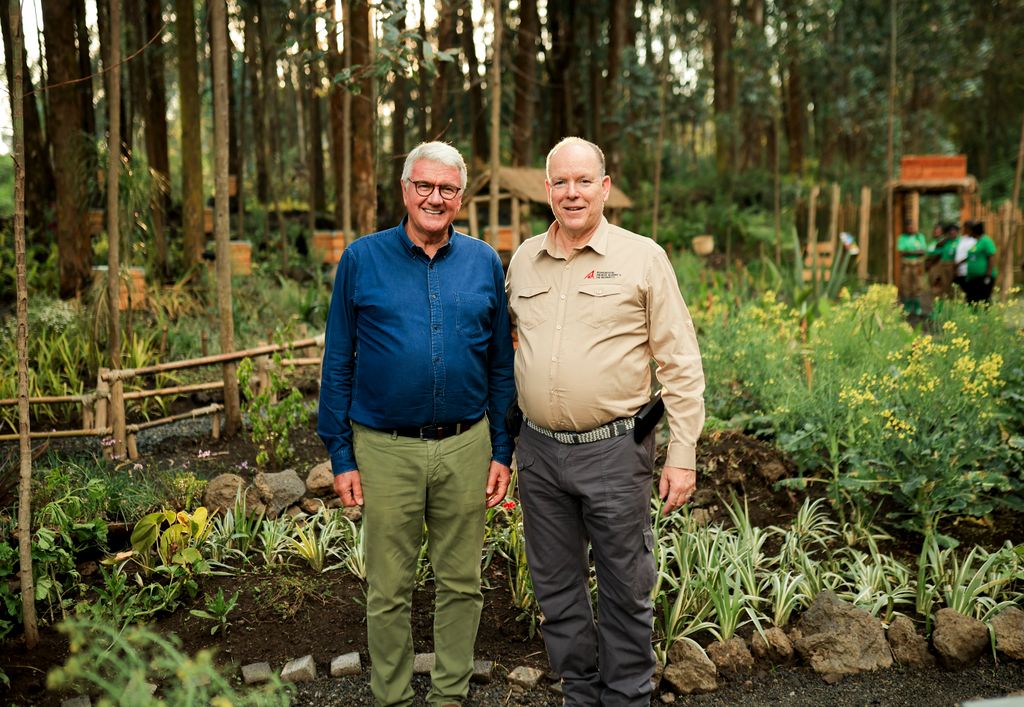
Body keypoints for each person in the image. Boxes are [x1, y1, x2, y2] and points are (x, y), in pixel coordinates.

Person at [505, 137, 705, 705]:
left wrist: (682, 453)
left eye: (584, 181)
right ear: (547, 190)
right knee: (556, 590)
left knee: (625, 587)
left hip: (615, 451)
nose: (572, 193)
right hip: (539, 453)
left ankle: (627, 697)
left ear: (605, 187)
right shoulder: (523, 260)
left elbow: (680, 362)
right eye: (561, 182)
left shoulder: (642, 258)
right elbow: (511, 347)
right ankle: (581, 694)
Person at [318, 141, 515, 706]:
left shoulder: (483, 261)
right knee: (388, 588)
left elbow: (500, 364)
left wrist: (502, 448)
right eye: (424, 185)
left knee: (462, 584)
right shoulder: (361, 259)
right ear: (405, 190)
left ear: (461, 197)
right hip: (385, 449)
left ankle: (449, 695)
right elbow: (339, 360)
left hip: (466, 446)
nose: (435, 197)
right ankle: (394, 697)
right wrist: (341, 454)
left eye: (447, 188)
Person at [896, 220, 927, 315]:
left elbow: (923, 251)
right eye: (909, 227)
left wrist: (909, 252)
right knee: (906, 285)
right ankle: (908, 307)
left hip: (918, 265)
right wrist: (916, 252)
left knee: (918, 285)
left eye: (912, 226)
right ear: (906, 228)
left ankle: (917, 307)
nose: (911, 228)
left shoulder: (920, 237)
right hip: (907, 265)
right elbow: (901, 252)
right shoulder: (902, 238)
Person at [962, 220, 997, 304]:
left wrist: (988, 276)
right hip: (973, 278)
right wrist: (959, 263)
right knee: (971, 300)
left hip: (983, 277)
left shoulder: (986, 241)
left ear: (974, 231)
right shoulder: (977, 242)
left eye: (970, 230)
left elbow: (991, 258)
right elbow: (971, 257)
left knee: (983, 300)